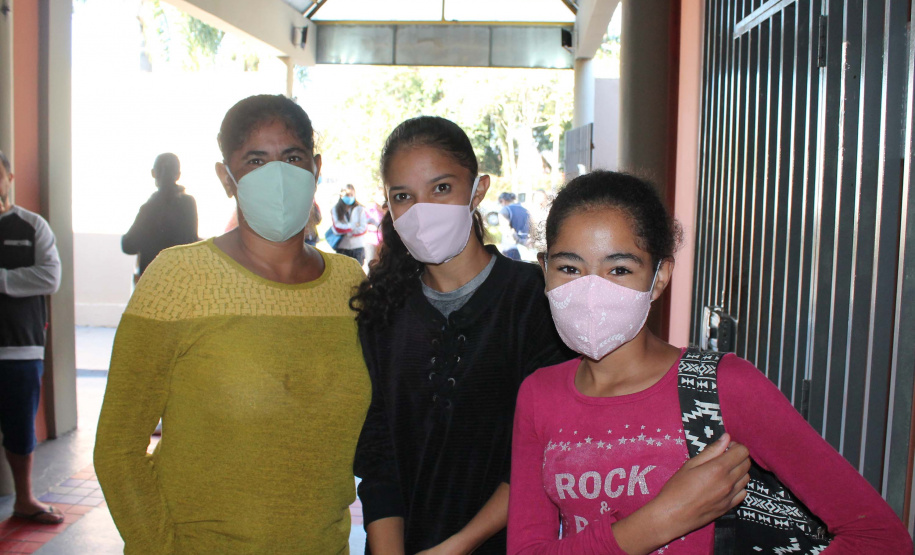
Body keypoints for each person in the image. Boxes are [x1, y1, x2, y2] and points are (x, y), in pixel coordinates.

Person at [508, 170, 914, 553]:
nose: (591, 289)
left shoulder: (724, 386)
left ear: (660, 276)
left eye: (619, 269)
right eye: (568, 267)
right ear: (544, 270)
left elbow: (879, 537)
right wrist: (662, 519)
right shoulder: (539, 395)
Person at [94, 95, 371, 554]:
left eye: (292, 157)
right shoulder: (178, 279)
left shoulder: (346, 283)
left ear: (315, 167)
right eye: (256, 161)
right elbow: (118, 450)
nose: (277, 176)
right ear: (227, 177)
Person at [349, 116, 573, 554]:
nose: (422, 209)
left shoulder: (536, 301)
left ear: (479, 189)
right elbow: (380, 459)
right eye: (403, 197)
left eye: (441, 188)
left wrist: (456, 547)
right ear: (389, 208)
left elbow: (542, 453)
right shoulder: (381, 313)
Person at [0, 150, 64, 525]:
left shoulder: (31, 225)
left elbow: (50, 278)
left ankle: (24, 499)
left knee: (20, 429)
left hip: (20, 348)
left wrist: (3, 281)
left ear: (9, 178)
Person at [121, 153, 198, 278]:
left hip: (152, 285)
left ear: (153, 173)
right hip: (180, 281)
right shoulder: (188, 204)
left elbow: (128, 245)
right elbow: (192, 242)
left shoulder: (149, 207)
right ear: (178, 175)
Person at [330, 184, 369, 265]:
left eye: (352, 195)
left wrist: (347, 230)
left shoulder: (360, 209)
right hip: (342, 247)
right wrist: (353, 226)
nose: (350, 197)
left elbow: (363, 228)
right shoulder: (335, 209)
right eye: (347, 195)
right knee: (343, 274)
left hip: (358, 247)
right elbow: (337, 228)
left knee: (358, 275)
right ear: (341, 195)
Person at [497, 192, 530, 261]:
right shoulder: (526, 210)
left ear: (502, 200)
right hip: (528, 249)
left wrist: (520, 241)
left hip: (511, 249)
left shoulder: (505, 210)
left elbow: (507, 232)